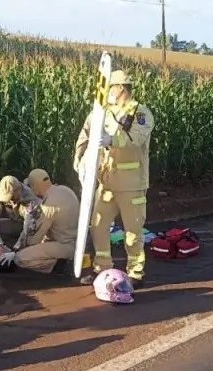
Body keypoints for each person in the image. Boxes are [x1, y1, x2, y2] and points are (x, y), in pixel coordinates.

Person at [75, 70, 154, 289]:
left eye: (111, 87)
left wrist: (112, 138)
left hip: (131, 184)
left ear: (121, 88)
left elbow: (136, 139)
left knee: (133, 230)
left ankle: (136, 272)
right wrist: (80, 161)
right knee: (98, 225)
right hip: (106, 181)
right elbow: (85, 135)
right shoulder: (101, 112)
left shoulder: (140, 113)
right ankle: (102, 267)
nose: (107, 91)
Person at [0, 175, 41, 253]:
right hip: (15, 223)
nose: (8, 200)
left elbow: (29, 227)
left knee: (23, 249)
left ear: (17, 191)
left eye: (10, 197)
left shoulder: (30, 199)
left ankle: (17, 249)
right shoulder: (0, 192)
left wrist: (16, 249)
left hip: (30, 227)